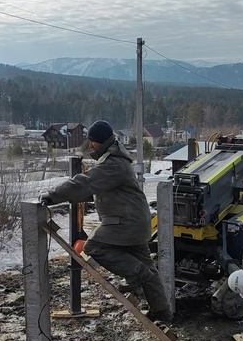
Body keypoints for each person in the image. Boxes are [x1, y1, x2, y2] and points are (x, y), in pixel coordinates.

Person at [41, 120, 172, 322]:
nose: (90, 145)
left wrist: (52, 196)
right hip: (135, 222)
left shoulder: (113, 164)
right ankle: (162, 312)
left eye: (92, 142)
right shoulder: (115, 159)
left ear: (99, 142)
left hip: (126, 223)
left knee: (94, 247)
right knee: (148, 268)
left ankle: (136, 274)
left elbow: (86, 183)